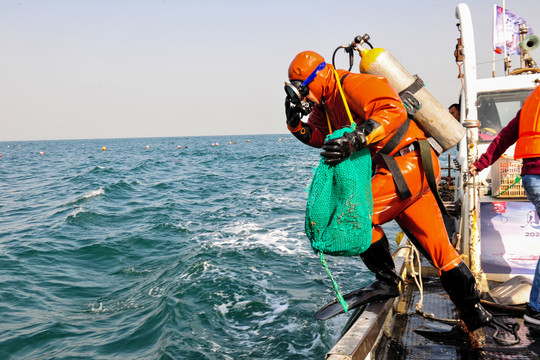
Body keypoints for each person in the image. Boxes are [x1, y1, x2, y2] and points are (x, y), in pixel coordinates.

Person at [284, 50, 493, 332]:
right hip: (406, 169)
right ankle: (476, 319)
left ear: (319, 76)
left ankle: (387, 281)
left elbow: (392, 110)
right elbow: (319, 137)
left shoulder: (354, 85)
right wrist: (295, 124)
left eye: (304, 90)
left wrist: (355, 138)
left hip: (407, 163)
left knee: (355, 218)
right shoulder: (326, 105)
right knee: (443, 254)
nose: (305, 97)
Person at [469, 85, 540, 326]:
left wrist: (481, 164)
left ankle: (536, 308)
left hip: (531, 178)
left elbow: (505, 136)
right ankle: (536, 309)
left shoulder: (532, 103)